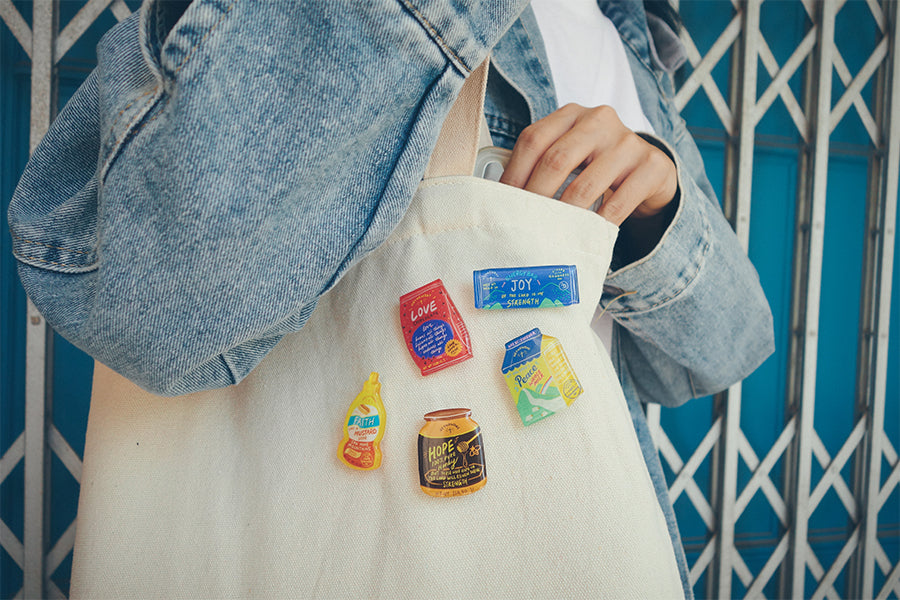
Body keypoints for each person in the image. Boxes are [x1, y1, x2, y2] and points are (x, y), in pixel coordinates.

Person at [8, 0, 772, 597]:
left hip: (568, 530)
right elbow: (153, 303)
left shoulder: (629, 30)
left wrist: (655, 211)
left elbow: (722, 353)